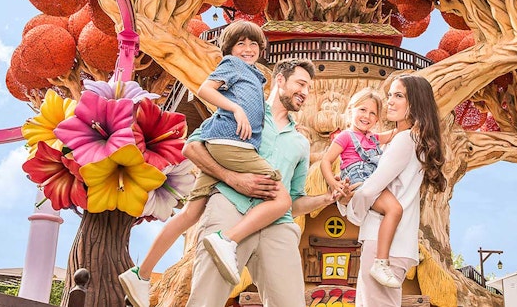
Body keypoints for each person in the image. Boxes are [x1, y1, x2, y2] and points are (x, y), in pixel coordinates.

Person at [119, 22, 294, 306]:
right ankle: (228, 240)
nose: (247, 49)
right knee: (281, 197)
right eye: (241, 44)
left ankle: (142, 273)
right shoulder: (233, 65)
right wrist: (235, 108)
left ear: (261, 49)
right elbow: (204, 88)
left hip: (218, 145)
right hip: (232, 145)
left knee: (190, 213)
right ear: (229, 48)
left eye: (253, 44)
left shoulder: (253, 76)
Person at [185, 57, 344, 307]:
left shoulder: (301, 144)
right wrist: (232, 178)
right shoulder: (240, 111)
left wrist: (326, 199)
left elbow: (293, 201)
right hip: (230, 208)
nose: (304, 92)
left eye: (308, 89)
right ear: (279, 80)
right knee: (207, 299)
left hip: (277, 226)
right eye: (300, 84)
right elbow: (193, 147)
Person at [339, 74, 446, 306]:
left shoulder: (405, 140)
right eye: (390, 95)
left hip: (382, 242)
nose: (390, 101)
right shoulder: (414, 141)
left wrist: (349, 209)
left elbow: (370, 190)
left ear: (415, 103)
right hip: (399, 241)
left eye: (399, 96)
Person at [320, 87, 403, 288]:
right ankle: (381, 263)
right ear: (351, 111)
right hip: (358, 181)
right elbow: (326, 161)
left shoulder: (374, 139)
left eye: (373, 113)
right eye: (362, 110)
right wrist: (334, 184)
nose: (367, 116)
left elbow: (396, 132)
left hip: (373, 181)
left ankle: (381, 257)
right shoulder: (345, 137)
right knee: (395, 209)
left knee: (392, 210)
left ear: (377, 119)